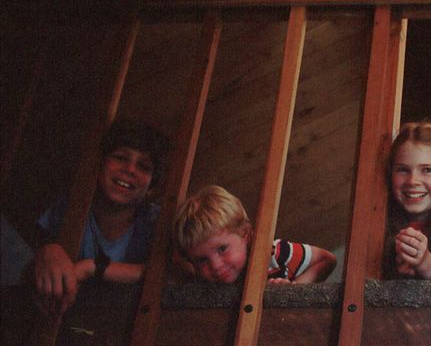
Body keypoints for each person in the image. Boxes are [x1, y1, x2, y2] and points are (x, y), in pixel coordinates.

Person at [34, 119, 169, 314]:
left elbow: (166, 274)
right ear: (101, 163)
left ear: (151, 185)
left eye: (144, 167)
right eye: (121, 157)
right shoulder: (71, 207)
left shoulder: (156, 223)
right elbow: (32, 266)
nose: (130, 169)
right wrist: (47, 251)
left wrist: (92, 268)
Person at [173, 185, 335, 284]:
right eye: (202, 260)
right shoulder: (205, 280)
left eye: (222, 249)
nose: (215, 266)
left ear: (245, 234)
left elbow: (327, 259)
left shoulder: (275, 253)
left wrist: (295, 289)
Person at [384, 121, 431, 279]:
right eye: (403, 169)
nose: (413, 181)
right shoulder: (378, 227)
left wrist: (427, 265)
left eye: (427, 170)